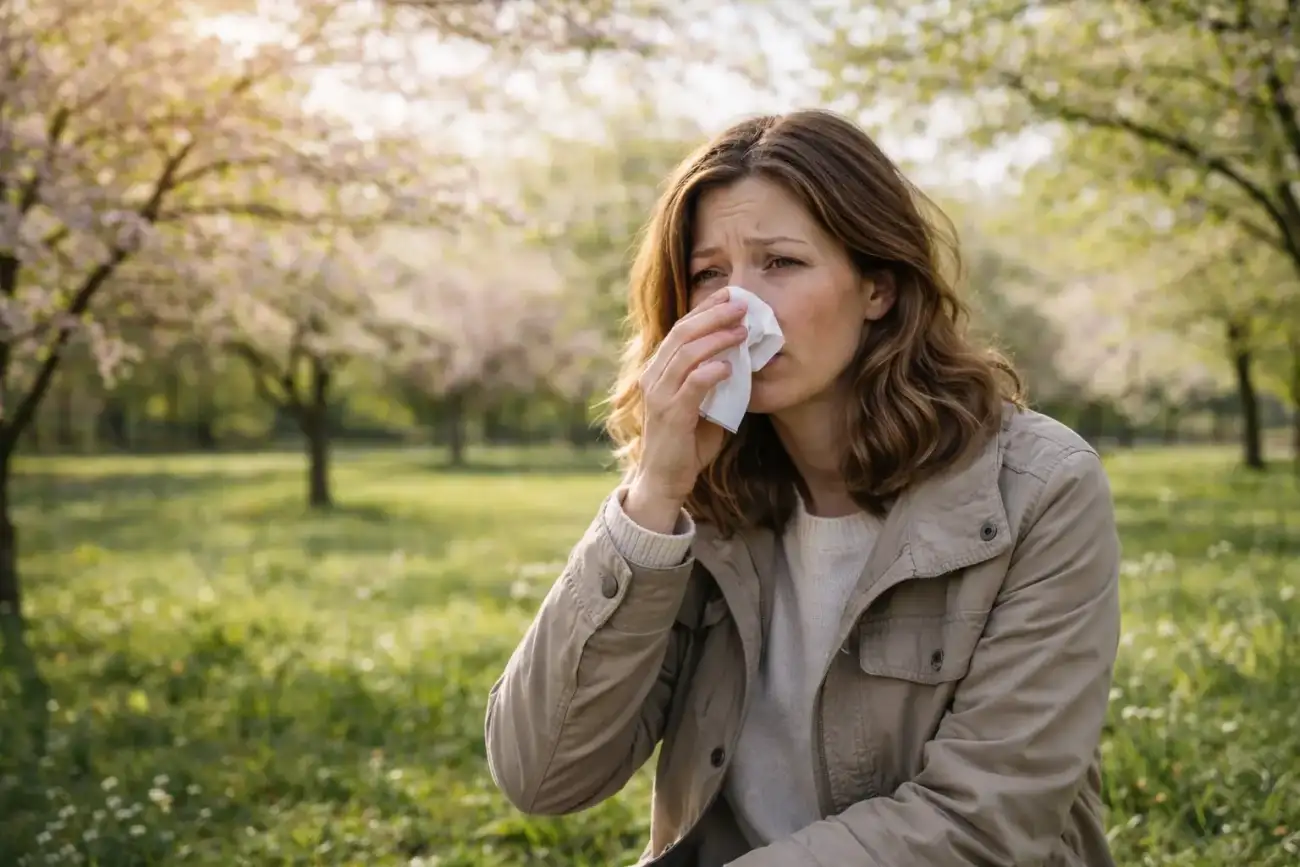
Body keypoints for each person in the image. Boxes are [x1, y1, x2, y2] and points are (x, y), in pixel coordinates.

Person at [484, 108, 1121, 867]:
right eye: (709, 274)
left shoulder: (1042, 487)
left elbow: (984, 820)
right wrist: (651, 496)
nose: (737, 308)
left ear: (877, 287)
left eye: (780, 263)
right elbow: (543, 771)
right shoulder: (699, 492)